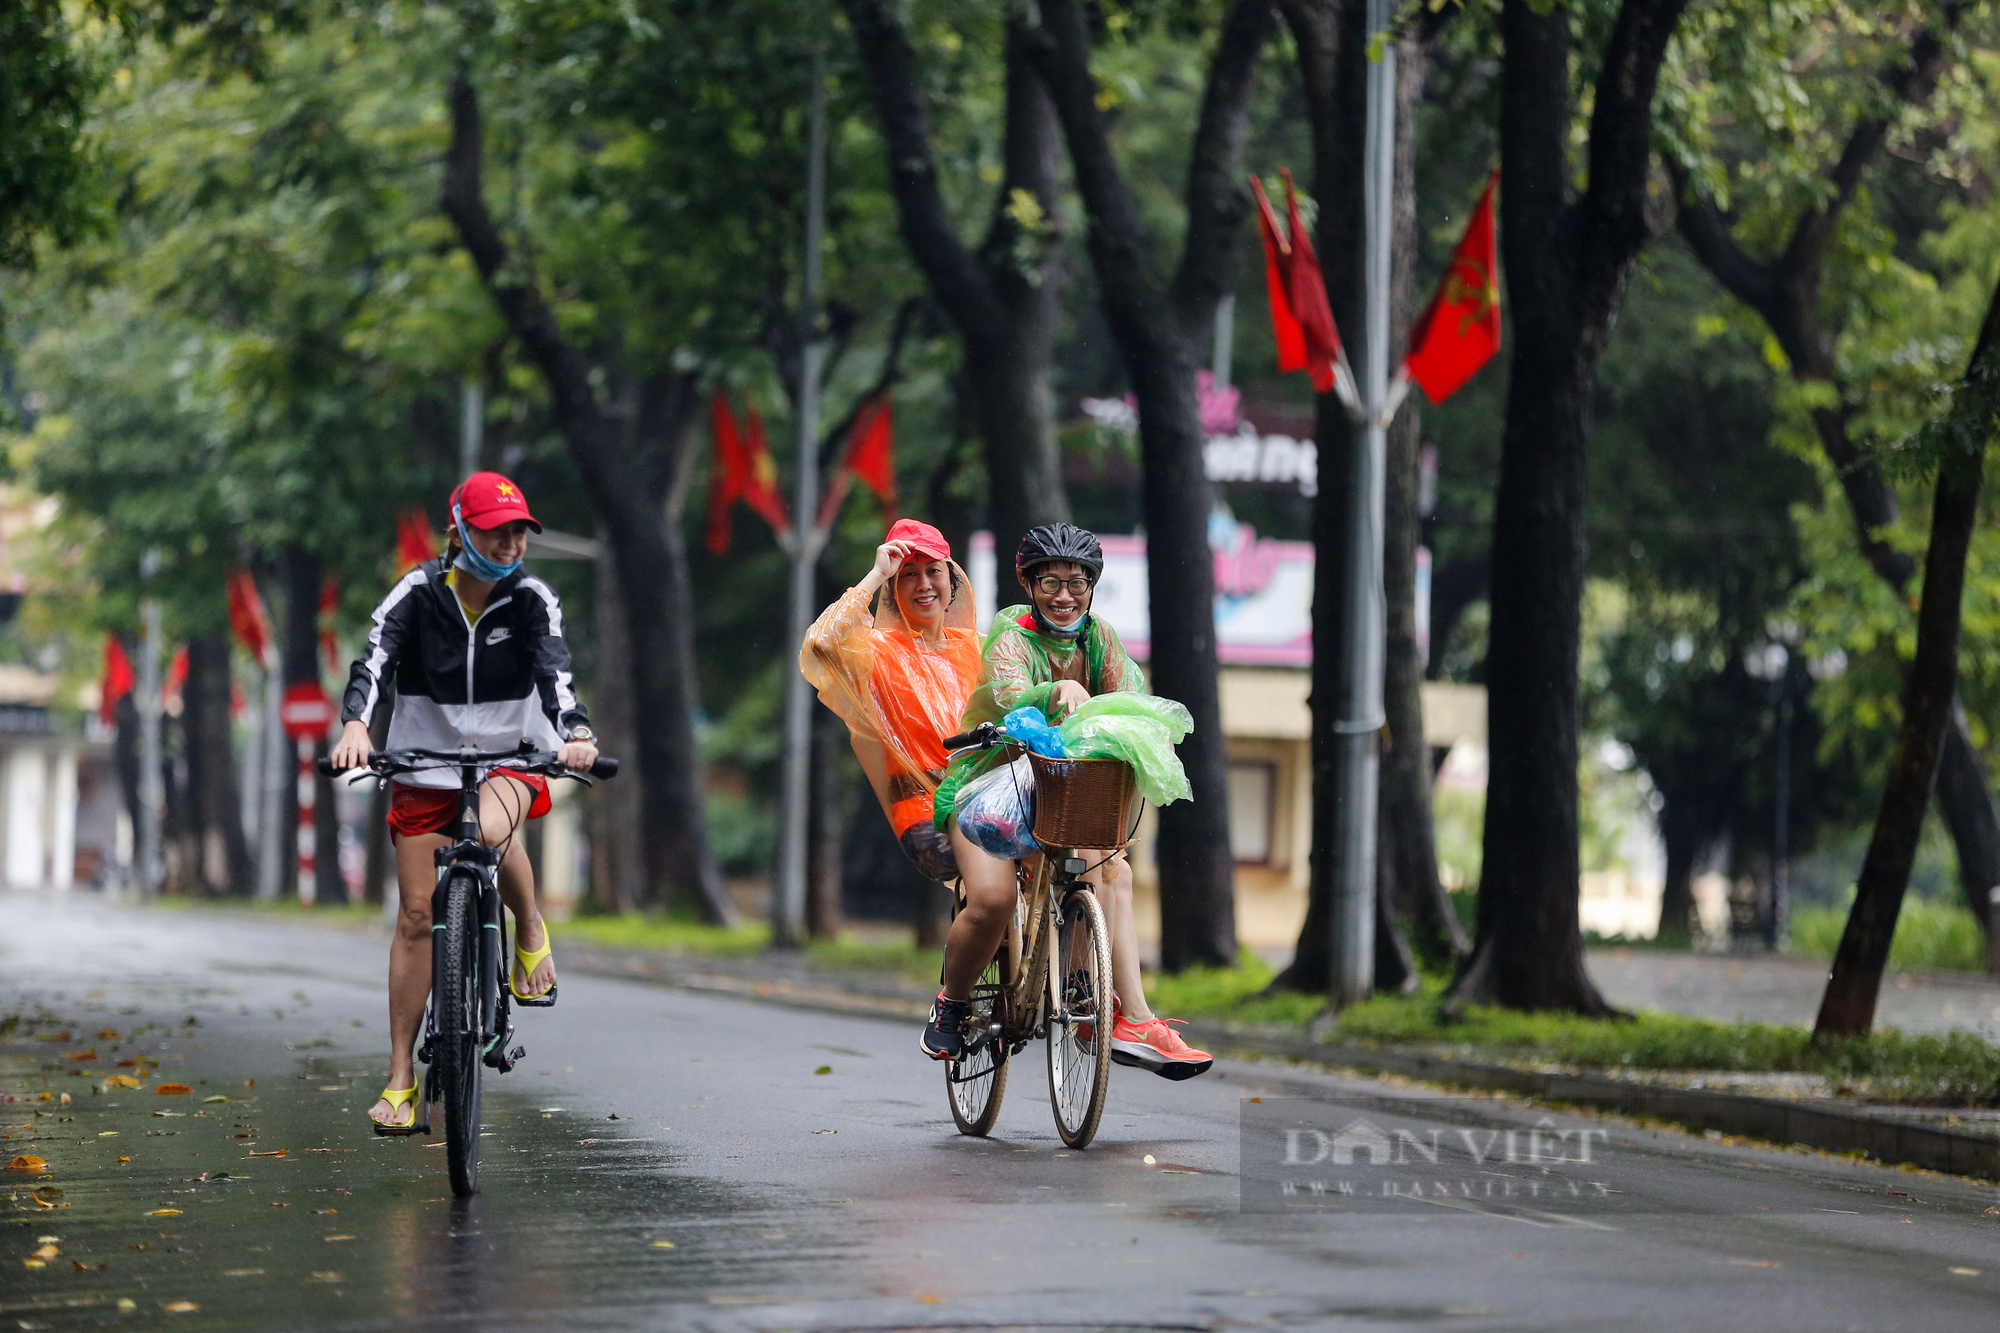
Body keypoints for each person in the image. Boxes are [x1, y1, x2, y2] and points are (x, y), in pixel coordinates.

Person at [328, 471, 599, 1133]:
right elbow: (373, 660)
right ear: (459, 531)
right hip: (424, 761)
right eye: (494, 530)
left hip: (512, 755)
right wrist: (357, 725)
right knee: (417, 916)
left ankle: (528, 925)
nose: (510, 543)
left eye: (519, 531)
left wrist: (577, 733)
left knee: (486, 832)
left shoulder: (533, 599)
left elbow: (555, 671)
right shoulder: (417, 594)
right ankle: (400, 1079)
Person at [924, 523, 1212, 1079]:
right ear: (1028, 584)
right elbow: (1010, 698)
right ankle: (953, 1002)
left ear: (1093, 587)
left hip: (1062, 787)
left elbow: (1128, 692)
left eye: (1078, 583)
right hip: (990, 792)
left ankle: (1132, 1017)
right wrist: (1050, 692)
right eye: (1051, 582)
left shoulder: (1098, 638)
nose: (1065, 595)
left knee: (1114, 873)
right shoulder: (1011, 639)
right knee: (991, 899)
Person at [801, 519, 982, 884]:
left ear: (952, 582)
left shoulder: (977, 645)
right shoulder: (875, 652)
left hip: (988, 798)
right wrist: (877, 573)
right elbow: (821, 643)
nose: (924, 584)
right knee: (995, 877)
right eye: (909, 575)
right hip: (925, 812)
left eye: (933, 571)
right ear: (893, 589)